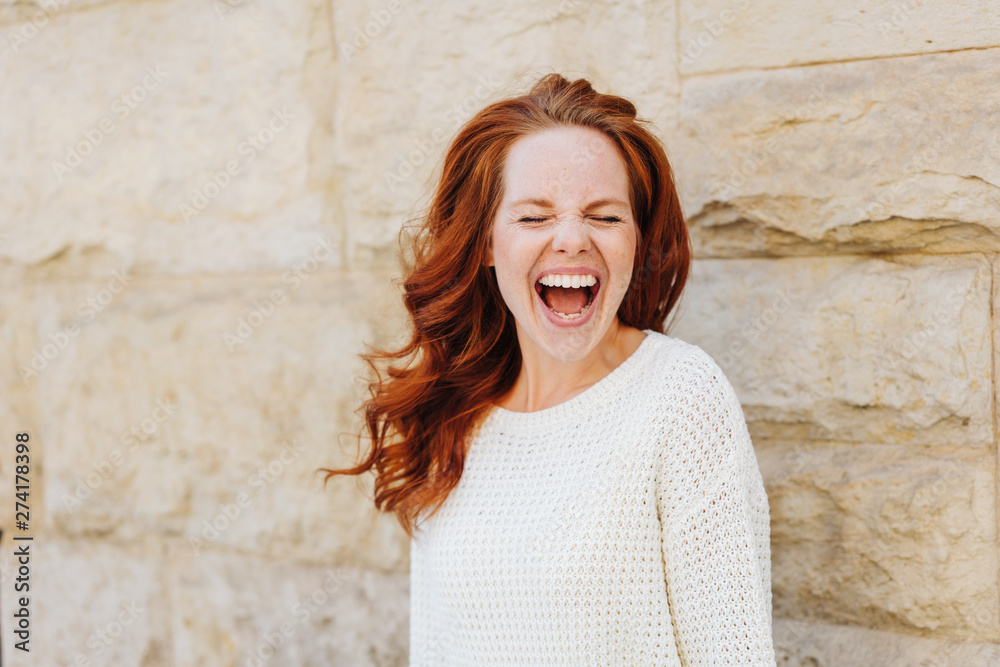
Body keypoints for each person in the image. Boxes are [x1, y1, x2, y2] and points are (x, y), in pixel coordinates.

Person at [320, 72, 777, 666]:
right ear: (485, 244)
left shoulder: (680, 398)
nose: (571, 239)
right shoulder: (457, 413)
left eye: (605, 217)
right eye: (534, 217)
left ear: (636, 241)